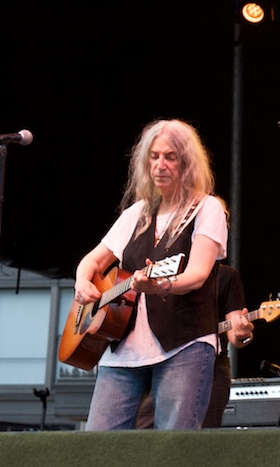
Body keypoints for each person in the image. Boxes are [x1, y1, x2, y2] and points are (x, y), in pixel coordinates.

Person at [72, 119, 229, 430]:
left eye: (170, 157)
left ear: (187, 163)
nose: (160, 165)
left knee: (172, 451)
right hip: (122, 352)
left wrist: (160, 287)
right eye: (154, 157)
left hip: (183, 345)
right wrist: (82, 283)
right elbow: (91, 261)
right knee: (97, 448)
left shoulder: (206, 209)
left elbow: (197, 274)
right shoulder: (137, 213)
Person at [136, 264, 255, 429]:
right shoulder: (166, 275)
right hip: (166, 368)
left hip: (212, 369)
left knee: (199, 443)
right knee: (144, 431)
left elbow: (235, 338)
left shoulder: (225, 275)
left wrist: (243, 334)